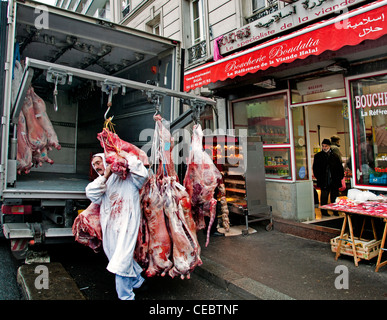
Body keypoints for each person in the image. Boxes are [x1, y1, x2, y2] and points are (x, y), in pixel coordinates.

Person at [86, 152, 148, 300]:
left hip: (127, 224)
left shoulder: (129, 178)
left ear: (106, 160)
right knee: (115, 256)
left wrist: (125, 156)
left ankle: (126, 296)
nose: (96, 166)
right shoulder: (103, 182)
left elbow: (143, 175)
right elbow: (91, 193)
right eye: (94, 164)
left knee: (121, 261)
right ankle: (138, 281)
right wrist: (106, 175)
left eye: (98, 162)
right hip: (110, 227)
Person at [313, 139, 344, 217]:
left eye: (326, 146)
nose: (324, 147)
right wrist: (318, 177)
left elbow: (340, 168)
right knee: (324, 197)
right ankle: (324, 211)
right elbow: (315, 168)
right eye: (323, 146)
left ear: (329, 146)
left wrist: (340, 176)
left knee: (334, 196)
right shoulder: (318, 156)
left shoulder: (335, 156)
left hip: (334, 180)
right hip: (324, 180)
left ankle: (335, 211)